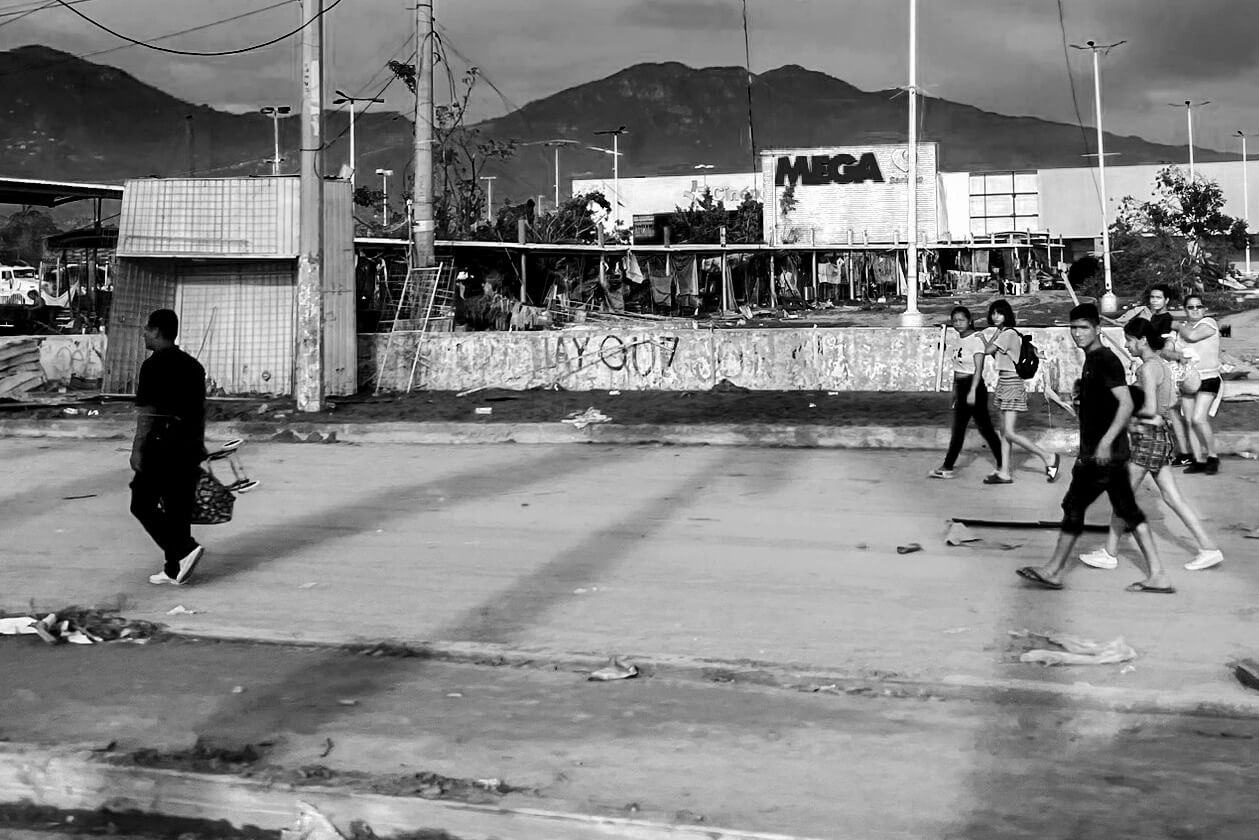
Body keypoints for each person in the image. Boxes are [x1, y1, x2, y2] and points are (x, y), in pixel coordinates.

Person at [1016, 303, 1173, 593]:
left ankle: (1054, 570)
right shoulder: (1093, 360)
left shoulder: (1104, 360)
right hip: (1106, 453)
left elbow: (1126, 403)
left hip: (1103, 455)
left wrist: (1102, 443)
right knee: (1128, 510)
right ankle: (1158, 574)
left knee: (1074, 507)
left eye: (1084, 327)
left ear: (1097, 329)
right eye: (1074, 328)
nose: (1078, 333)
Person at [1079, 319, 1224, 572]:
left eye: (1130, 340)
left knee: (1122, 497)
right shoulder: (1161, 365)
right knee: (1172, 497)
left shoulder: (1148, 369)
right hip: (1161, 436)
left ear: (1142, 340)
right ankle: (1208, 547)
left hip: (1148, 437)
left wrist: (1124, 412)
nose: (1127, 344)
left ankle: (1110, 553)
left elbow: (1149, 408)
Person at [130, 308, 207, 586]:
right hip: (189, 446)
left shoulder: (153, 366)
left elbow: (147, 412)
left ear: (157, 331)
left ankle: (184, 549)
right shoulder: (193, 366)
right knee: (177, 507)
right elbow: (200, 411)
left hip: (162, 446)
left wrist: (137, 448)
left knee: (141, 501)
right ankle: (175, 568)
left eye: (147, 329)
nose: (144, 334)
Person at [981, 299, 1061, 484]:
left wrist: (993, 333)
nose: (995, 317)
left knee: (1009, 432)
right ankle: (1004, 472)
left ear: (1006, 315)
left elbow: (987, 350)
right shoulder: (1007, 334)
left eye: (999, 313)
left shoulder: (1007, 334)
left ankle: (1048, 457)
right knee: (1004, 431)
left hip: (1011, 383)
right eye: (993, 313)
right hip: (1004, 382)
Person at [928, 306, 1003, 479]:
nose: (958, 324)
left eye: (961, 320)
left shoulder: (975, 339)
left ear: (969, 321)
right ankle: (947, 467)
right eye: (955, 321)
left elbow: (979, 368)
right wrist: (955, 391)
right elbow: (957, 369)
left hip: (973, 386)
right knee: (962, 429)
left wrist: (972, 391)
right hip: (962, 386)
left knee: (985, 429)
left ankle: (1002, 463)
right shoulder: (958, 340)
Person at [1177, 294, 1222, 474]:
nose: (1195, 310)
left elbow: (1194, 336)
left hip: (1208, 377)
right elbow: (1168, 349)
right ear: (1185, 309)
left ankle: (1212, 456)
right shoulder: (1181, 330)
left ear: (1204, 309)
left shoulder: (1209, 323)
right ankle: (1198, 459)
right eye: (1190, 307)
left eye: (1198, 307)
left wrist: (1176, 325)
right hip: (1188, 379)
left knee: (1198, 418)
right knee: (1188, 421)